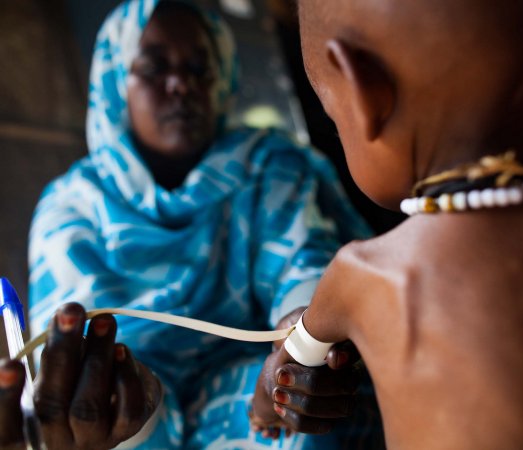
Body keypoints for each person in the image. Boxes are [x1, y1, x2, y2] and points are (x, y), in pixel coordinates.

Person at [0, 0, 385, 448]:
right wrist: (121, 410)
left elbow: (304, 265)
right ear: (114, 81)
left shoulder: (266, 165)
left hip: (249, 396)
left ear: (223, 81)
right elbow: (76, 366)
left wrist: (296, 355)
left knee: (297, 420)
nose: (181, 84)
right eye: (154, 67)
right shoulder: (72, 205)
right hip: (137, 413)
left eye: (201, 69)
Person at [251, 0, 523, 448]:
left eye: (336, 123)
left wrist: (265, 408)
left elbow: (290, 363)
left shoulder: (364, 274)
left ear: (364, 93)